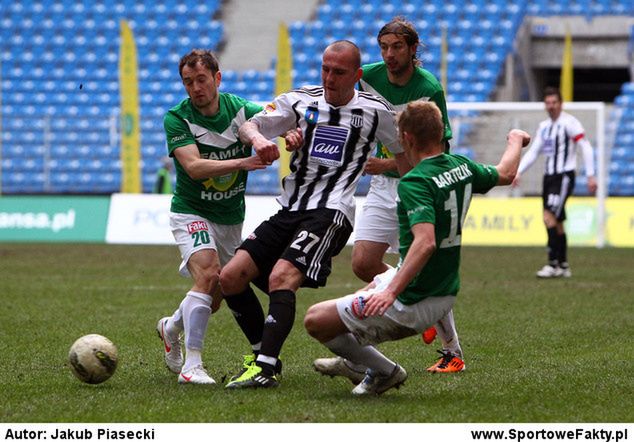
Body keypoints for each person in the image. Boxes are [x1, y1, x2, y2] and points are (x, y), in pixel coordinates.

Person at [219, 40, 411, 389]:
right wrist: (260, 141)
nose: (329, 77)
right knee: (231, 277)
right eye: (325, 68)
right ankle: (265, 354)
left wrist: (383, 165)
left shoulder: (375, 110)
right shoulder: (300, 100)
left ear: (355, 75)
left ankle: (265, 370)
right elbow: (251, 125)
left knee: (281, 276)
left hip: (331, 210)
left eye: (338, 72)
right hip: (290, 207)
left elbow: (407, 154)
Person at [304, 101, 531, 395]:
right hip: (445, 292)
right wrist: (515, 140)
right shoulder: (461, 165)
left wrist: (391, 292)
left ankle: (384, 371)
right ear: (440, 134)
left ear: (406, 138)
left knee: (316, 320)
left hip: (413, 302)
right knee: (367, 287)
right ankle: (359, 364)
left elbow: (425, 242)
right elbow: (506, 173)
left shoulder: (415, 182)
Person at [315, 17, 463, 379]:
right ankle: (406, 292)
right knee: (364, 263)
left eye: (397, 47)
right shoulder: (369, 77)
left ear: (413, 49)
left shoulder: (428, 87)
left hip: (417, 184)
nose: (390, 54)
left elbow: (438, 149)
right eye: (384, 47)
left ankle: (452, 351)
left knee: (421, 268)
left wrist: (384, 163)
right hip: (383, 186)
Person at [155, 49, 274, 385]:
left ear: (217, 78)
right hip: (191, 211)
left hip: (230, 218)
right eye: (188, 82)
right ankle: (191, 367)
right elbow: (193, 168)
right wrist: (243, 162)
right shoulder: (177, 118)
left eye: (201, 79)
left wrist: (290, 135)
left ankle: (171, 326)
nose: (195, 87)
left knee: (216, 292)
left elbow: (277, 119)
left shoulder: (241, 110)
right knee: (208, 275)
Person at [512, 87, 597, 278]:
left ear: (561, 104)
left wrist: (591, 174)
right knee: (557, 222)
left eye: (554, 103)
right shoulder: (544, 127)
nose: (551, 106)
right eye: (548, 103)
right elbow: (534, 152)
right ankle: (563, 265)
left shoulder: (570, 123)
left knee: (548, 217)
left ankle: (552, 263)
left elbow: (585, 146)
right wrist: (518, 172)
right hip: (549, 177)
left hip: (564, 176)